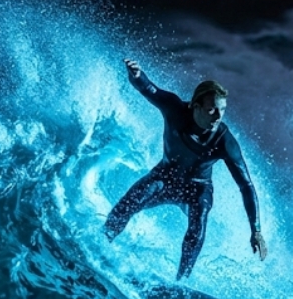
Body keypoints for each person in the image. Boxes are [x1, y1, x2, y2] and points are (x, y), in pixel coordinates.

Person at [103, 58, 267, 279]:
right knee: (129, 203)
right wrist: (137, 76)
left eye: (222, 110)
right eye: (212, 110)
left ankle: (181, 282)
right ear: (195, 106)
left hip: (197, 189)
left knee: (198, 224)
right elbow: (150, 89)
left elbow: (246, 186)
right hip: (164, 177)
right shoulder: (175, 109)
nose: (218, 117)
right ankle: (102, 242)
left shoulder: (224, 141)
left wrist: (256, 230)